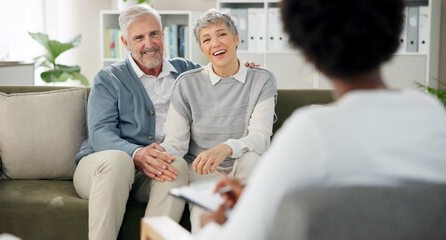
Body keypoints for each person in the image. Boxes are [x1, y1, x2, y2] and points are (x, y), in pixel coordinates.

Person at [191, 0, 446, 239]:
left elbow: (241, 236)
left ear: (308, 54)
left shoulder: (311, 132)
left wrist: (211, 225)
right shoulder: (432, 113)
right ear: (394, 31)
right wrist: (256, 197)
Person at [72, 4, 203, 240]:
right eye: (139, 38)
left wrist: (246, 69)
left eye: (153, 34)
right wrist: (137, 153)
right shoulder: (109, 78)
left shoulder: (186, 71)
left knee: (176, 165)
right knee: (119, 160)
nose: (148, 44)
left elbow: (221, 77)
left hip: (148, 175)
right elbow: (100, 133)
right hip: (101, 169)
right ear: (126, 43)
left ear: (162, 34)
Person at [160, 9, 277, 234]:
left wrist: (225, 148)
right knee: (205, 214)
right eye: (206, 39)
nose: (215, 43)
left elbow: (260, 137)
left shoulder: (262, 79)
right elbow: (175, 144)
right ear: (202, 49)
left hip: (244, 164)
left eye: (221, 34)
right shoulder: (187, 84)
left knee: (252, 158)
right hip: (203, 169)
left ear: (236, 39)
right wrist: (155, 155)